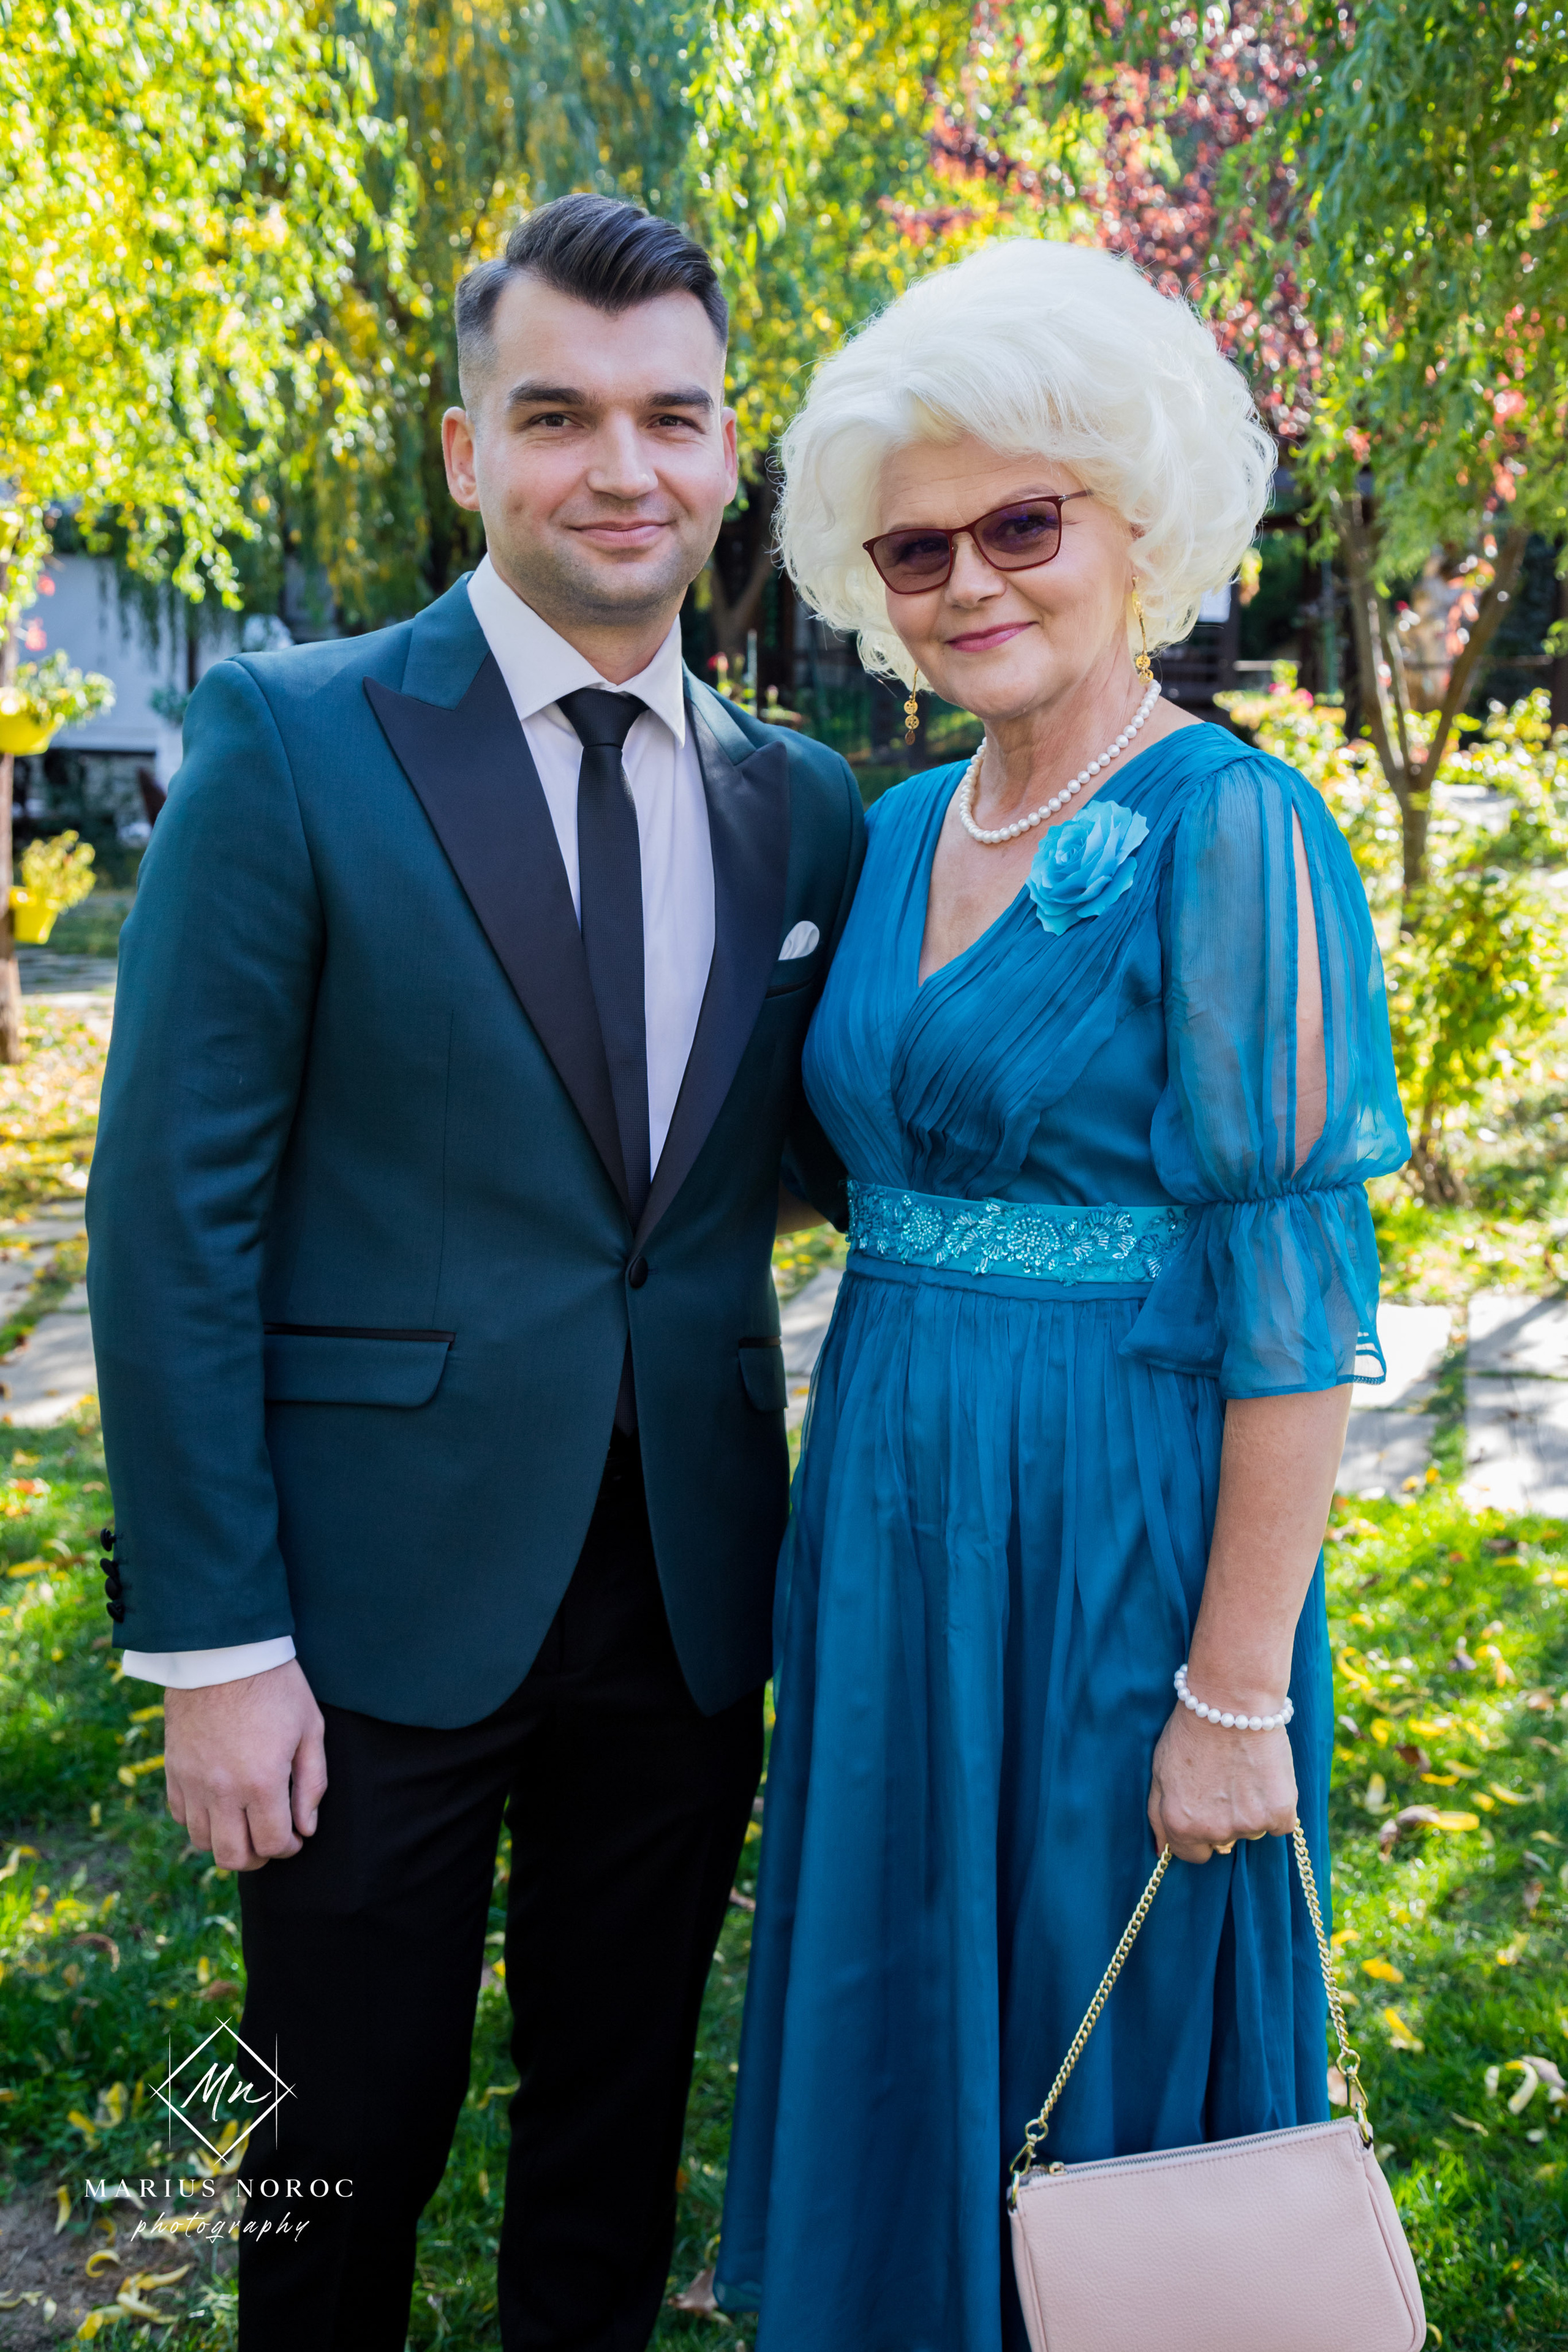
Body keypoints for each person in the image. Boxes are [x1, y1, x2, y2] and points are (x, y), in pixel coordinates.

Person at [86, 193, 864, 2351]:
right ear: (463, 450)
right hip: (359, 1617)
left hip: (689, 1595)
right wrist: (214, 1644)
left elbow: (790, 1150)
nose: (622, 467)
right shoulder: (293, 741)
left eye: (672, 417)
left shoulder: (804, 808)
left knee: (611, 2136)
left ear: (730, 452)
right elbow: (170, 1216)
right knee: (335, 2140)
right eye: (558, 417)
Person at [714, 238, 1409, 2351]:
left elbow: (1297, 1300)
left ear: (1138, 525)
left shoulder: (1234, 829)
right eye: (915, 546)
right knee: (905, 1959)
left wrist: (1235, 1695)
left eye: (1025, 522)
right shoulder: (900, 824)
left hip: (1119, 1525)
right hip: (897, 1510)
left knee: (1089, 1997)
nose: (969, 580)